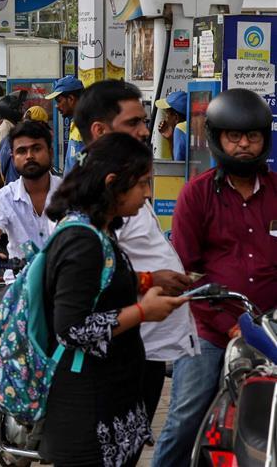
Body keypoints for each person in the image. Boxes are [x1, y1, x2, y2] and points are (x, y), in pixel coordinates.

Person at [39, 133, 188, 466]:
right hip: (87, 413)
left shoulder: (101, 232)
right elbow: (72, 328)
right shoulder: (81, 239)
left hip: (112, 400)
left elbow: (103, 287)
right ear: (111, 183)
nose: (148, 193)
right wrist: (142, 311)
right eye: (142, 184)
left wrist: (148, 283)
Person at [152, 88, 277, 467]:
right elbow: (186, 271)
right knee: (186, 416)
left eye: (252, 137)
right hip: (210, 329)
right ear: (218, 139)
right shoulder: (196, 194)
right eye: (234, 137)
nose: (243, 145)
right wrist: (229, 325)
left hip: (272, 328)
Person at [75, 80, 198, 421]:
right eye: (133, 123)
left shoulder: (122, 184)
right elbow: (78, 302)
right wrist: (149, 280)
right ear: (100, 131)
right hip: (117, 352)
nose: (145, 131)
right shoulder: (89, 200)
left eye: (144, 121)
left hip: (147, 347)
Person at [0, 119, 62, 266]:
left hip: (67, 279)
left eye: (36, 149)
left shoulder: (71, 192)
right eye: (22, 151)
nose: (29, 156)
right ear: (13, 158)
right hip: (19, 281)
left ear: (50, 153)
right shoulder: (4, 197)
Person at [46, 75, 85, 174]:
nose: (56, 106)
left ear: (71, 99)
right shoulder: (75, 123)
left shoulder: (85, 126)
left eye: (59, 101)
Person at [0, 91, 26, 184]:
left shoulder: (11, 126)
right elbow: (4, 158)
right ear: (11, 111)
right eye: (19, 109)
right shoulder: (5, 129)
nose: (22, 112)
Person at [154, 90, 188, 161]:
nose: (165, 118)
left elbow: (178, 166)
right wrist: (170, 139)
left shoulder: (180, 128)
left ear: (176, 117)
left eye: (167, 114)